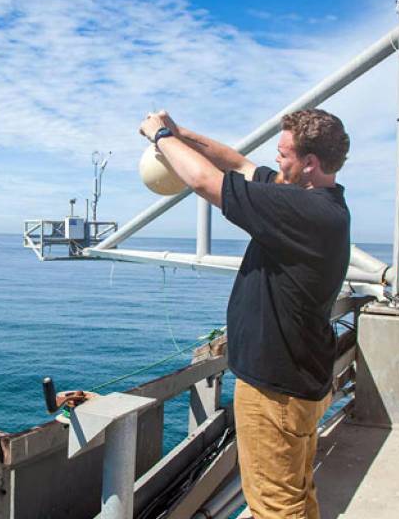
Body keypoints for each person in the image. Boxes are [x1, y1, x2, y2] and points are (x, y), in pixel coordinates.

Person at [139, 109, 351, 519]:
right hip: (299, 380)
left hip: (277, 391)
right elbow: (237, 163)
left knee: (275, 507)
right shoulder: (317, 202)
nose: (277, 162)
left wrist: (160, 135)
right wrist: (182, 133)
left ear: (309, 163)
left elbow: (205, 180)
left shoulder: (303, 212)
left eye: (284, 155)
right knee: (297, 492)